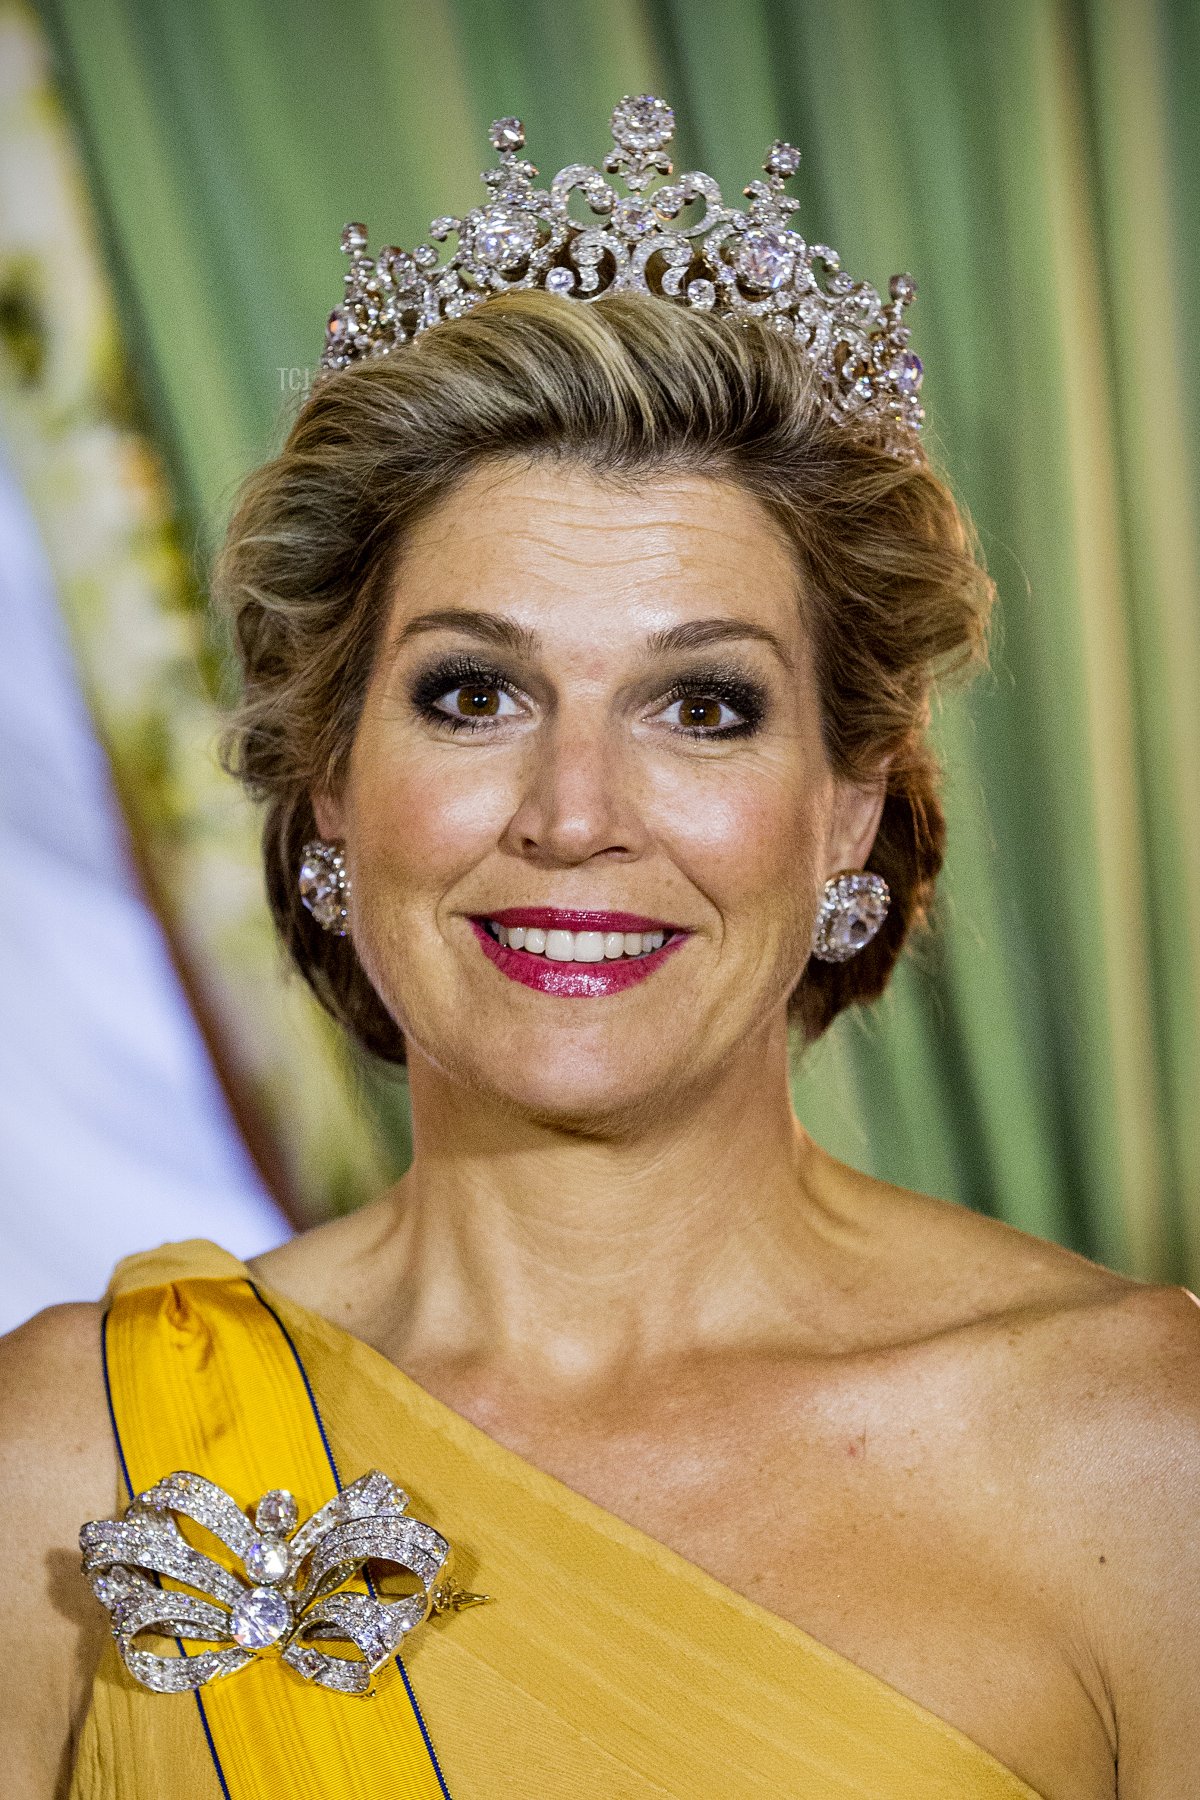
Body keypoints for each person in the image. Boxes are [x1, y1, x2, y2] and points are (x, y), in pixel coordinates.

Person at [2, 98, 1196, 1800]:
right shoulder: (67, 1449)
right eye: (472, 694)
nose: (574, 813)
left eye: (702, 707)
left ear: (848, 806)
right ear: (334, 780)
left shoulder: (1148, 1456)